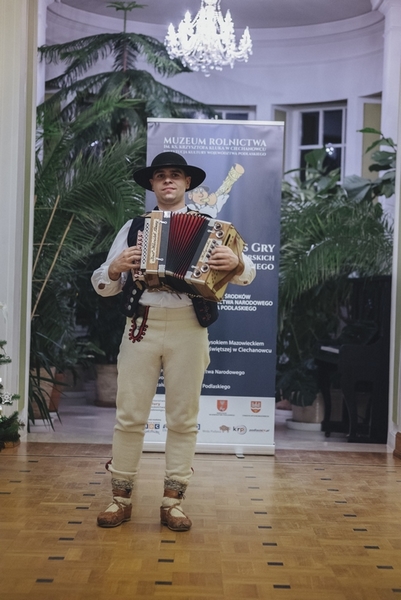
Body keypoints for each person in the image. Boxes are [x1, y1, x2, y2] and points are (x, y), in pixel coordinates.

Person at [91, 152, 255, 531]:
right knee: (130, 414)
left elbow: (247, 274)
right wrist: (114, 268)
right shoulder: (133, 227)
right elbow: (104, 283)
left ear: (186, 183)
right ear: (152, 184)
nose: (168, 180)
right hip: (141, 324)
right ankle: (120, 498)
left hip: (189, 326)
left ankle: (173, 501)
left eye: (175, 175)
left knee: (183, 417)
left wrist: (236, 263)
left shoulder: (211, 227)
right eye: (160, 175)